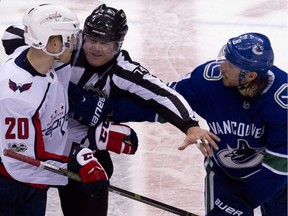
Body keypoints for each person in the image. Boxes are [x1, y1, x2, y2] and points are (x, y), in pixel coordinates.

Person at [1, 4, 220, 216]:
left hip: (78, 148)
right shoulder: (64, 48)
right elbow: (13, 36)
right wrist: (71, 93)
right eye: (92, 39)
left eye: (106, 43)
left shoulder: (122, 70)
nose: (96, 48)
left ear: (118, 45)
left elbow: (163, 94)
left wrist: (189, 125)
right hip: (39, 145)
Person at [0, 4, 110, 216]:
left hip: (33, 182)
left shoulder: (44, 60)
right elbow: (23, 155)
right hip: (11, 184)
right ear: (52, 43)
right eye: (69, 39)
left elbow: (13, 35)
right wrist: (79, 161)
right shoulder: (18, 98)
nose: (75, 46)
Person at [164, 33, 287, 215]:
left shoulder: (282, 101)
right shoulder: (208, 81)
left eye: (229, 64)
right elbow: (163, 101)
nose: (221, 67)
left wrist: (243, 200)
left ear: (250, 75)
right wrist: (112, 110)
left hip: (274, 179)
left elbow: (279, 164)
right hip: (226, 174)